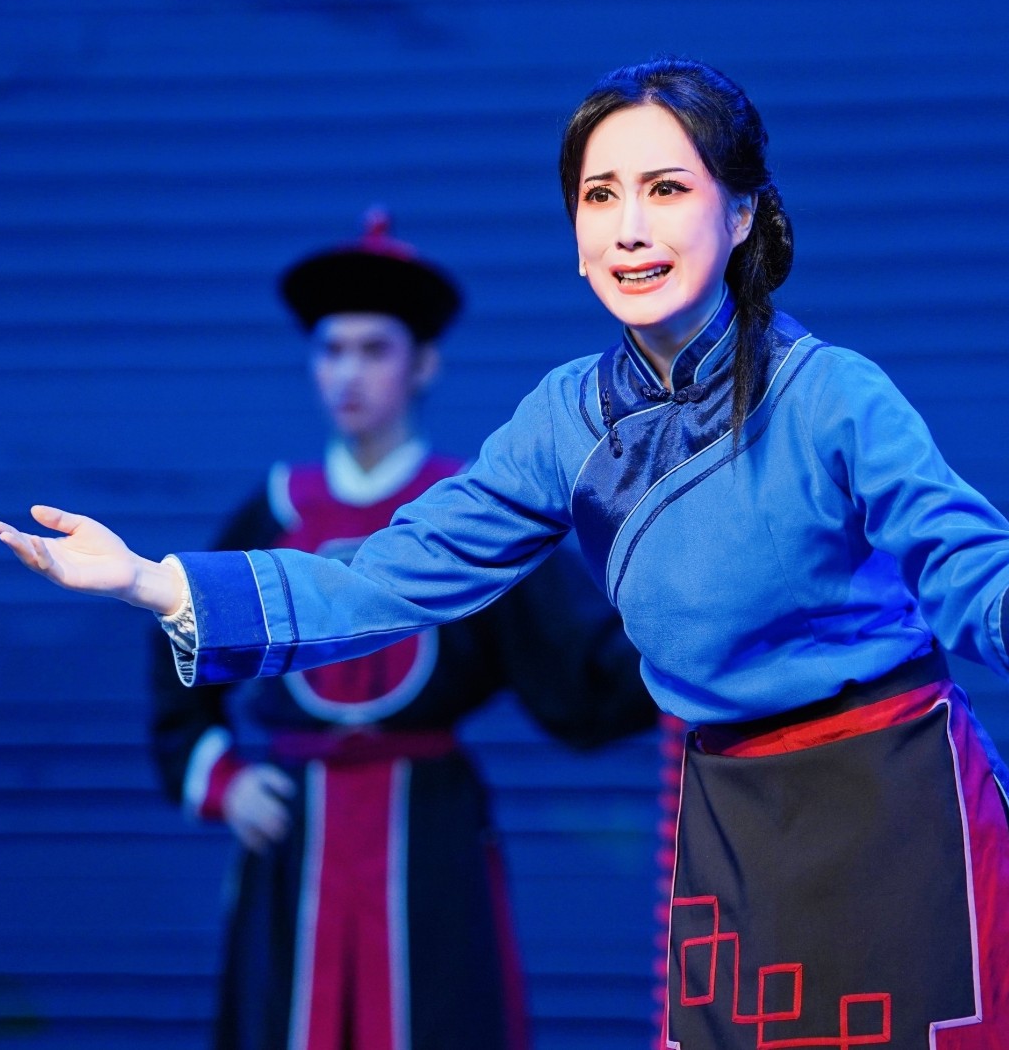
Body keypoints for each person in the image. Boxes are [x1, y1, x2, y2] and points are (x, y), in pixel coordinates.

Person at [0, 58, 1009, 1050]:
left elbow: (958, 555)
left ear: (742, 213)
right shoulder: (563, 421)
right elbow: (388, 574)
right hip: (731, 817)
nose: (628, 225)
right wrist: (150, 580)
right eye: (600, 194)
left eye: (666, 188)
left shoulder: (831, 394)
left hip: (884, 804)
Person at [145, 211, 656, 1050]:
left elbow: (576, 663)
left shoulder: (476, 511)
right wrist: (223, 779)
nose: (348, 372)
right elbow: (179, 643)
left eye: (374, 350)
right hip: (296, 833)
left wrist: (695, 631)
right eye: (331, 350)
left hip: (426, 832)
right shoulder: (274, 513)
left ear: (423, 364)